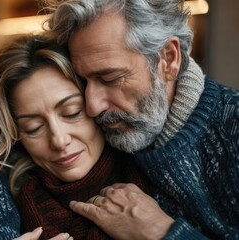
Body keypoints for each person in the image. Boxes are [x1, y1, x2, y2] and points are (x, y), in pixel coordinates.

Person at [43, 0, 239, 239]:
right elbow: (8, 163)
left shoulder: (233, 127)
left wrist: (161, 232)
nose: (92, 106)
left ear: (168, 59)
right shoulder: (103, 128)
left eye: (110, 78)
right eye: (84, 81)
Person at [0, 33, 154, 239]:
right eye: (33, 128)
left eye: (72, 113)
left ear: (96, 103)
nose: (59, 140)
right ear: (15, 134)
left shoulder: (150, 160)